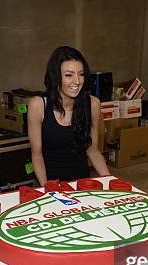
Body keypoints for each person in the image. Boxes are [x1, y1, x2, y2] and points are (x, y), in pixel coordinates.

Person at [27, 46, 110, 185]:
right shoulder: (38, 105)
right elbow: (37, 156)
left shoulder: (93, 104)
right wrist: (49, 189)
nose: (77, 81)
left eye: (81, 74)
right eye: (69, 75)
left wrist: (110, 181)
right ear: (56, 76)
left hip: (82, 183)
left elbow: (93, 150)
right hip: (49, 183)